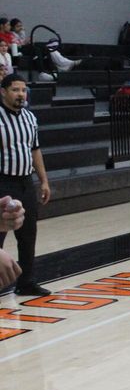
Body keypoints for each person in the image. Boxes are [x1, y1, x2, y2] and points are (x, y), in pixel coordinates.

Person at [0, 74, 51, 297]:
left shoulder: (30, 118)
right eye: (15, 90)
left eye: (23, 90)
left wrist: (44, 180)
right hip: (3, 181)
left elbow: (35, 150)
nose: (21, 94)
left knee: (28, 233)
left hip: (25, 182)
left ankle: (26, 282)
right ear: (3, 91)